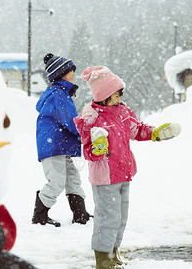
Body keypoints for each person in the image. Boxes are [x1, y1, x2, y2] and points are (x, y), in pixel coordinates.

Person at [74, 65, 181, 269]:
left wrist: (156, 133)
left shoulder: (123, 112)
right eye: (115, 96)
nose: (119, 99)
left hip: (123, 173)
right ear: (103, 96)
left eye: (120, 94)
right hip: (105, 177)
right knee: (108, 217)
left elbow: (137, 130)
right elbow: (87, 150)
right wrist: (97, 149)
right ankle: (102, 257)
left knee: (120, 217)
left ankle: (114, 251)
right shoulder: (92, 118)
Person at [32, 53, 92, 227]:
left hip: (59, 146)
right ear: (61, 74)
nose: (73, 74)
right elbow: (72, 122)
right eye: (70, 72)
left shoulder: (59, 94)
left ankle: (80, 214)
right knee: (56, 181)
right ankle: (39, 215)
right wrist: (86, 135)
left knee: (72, 178)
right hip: (53, 147)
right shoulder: (59, 95)